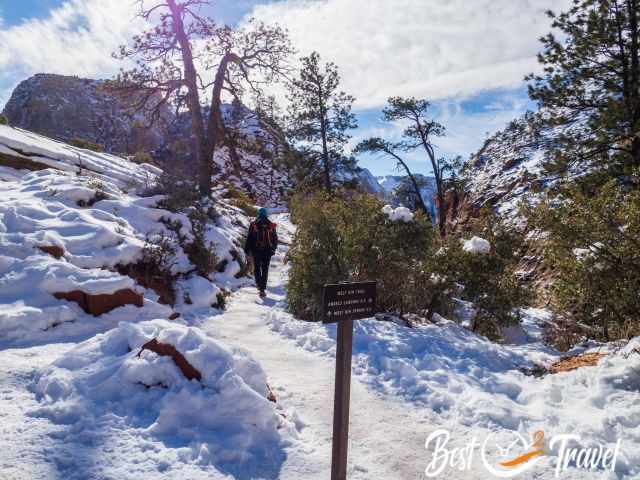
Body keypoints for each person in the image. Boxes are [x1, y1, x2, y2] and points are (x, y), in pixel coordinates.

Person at [244, 207, 278, 298]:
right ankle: (263, 288)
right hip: (268, 251)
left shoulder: (254, 224)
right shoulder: (270, 225)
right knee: (265, 269)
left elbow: (249, 238)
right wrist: (273, 249)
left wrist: (247, 250)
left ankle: (259, 286)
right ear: (266, 214)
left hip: (256, 250)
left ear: (258, 214)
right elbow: (275, 239)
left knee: (257, 268)